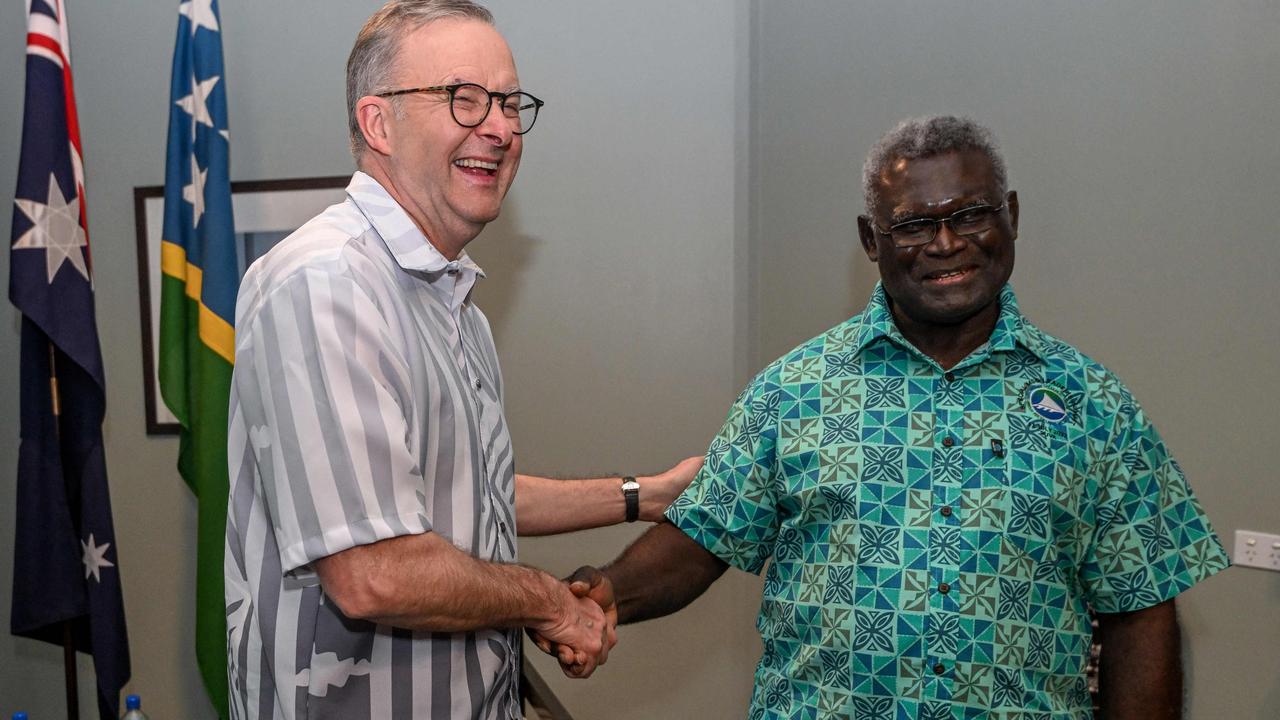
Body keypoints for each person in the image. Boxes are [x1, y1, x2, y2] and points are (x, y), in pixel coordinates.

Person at [556, 116, 1230, 718]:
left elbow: (1140, 610)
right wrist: (605, 594)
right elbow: (703, 537)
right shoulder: (794, 390)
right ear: (870, 240)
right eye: (912, 224)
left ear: (1012, 217)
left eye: (970, 215)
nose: (945, 242)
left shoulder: (1093, 405)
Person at [222, 2, 697, 717]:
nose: (501, 128)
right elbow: (373, 571)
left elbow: (466, 498)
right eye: (463, 99)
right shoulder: (327, 285)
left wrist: (643, 496)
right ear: (379, 123)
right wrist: (546, 604)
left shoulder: (454, 305)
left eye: (508, 102)